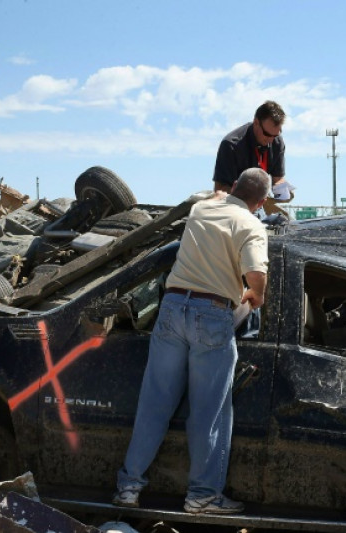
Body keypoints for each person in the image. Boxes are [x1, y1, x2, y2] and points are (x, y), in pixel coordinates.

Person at [114, 168, 271, 515]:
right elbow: (257, 279)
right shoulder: (251, 225)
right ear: (260, 203)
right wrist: (253, 295)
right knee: (209, 414)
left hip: (171, 308)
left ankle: (128, 488)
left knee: (154, 403)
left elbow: (210, 195)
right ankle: (202, 496)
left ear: (231, 187)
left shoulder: (201, 209)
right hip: (212, 316)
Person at [213, 101, 292, 205]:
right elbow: (220, 190)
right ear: (256, 123)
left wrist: (283, 191)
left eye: (276, 135)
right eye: (267, 134)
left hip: (260, 203)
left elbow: (278, 179)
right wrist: (248, 197)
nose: (271, 140)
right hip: (233, 206)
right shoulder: (231, 145)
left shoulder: (277, 142)